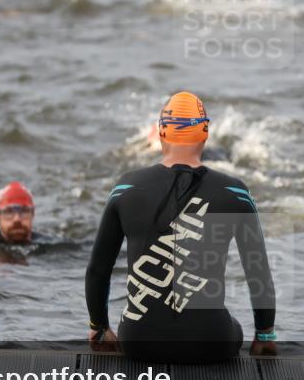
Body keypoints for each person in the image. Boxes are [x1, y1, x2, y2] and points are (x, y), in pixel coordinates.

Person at [85, 91, 276, 363]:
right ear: (205, 133)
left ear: (161, 133)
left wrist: (99, 329)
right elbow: (258, 271)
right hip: (212, 342)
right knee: (233, 327)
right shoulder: (235, 192)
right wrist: (265, 335)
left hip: (138, 342)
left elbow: (98, 269)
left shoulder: (126, 187)